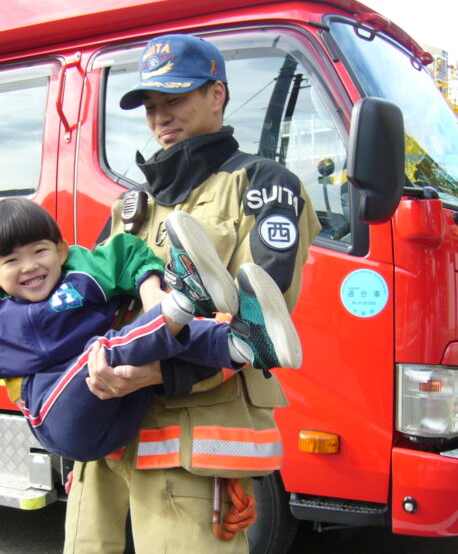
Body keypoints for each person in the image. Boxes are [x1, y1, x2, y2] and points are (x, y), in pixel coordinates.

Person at [64, 34, 320, 553]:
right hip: (107, 440)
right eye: (151, 107)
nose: (161, 118)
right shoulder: (131, 204)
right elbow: (90, 304)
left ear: (217, 95)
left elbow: (260, 326)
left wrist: (157, 371)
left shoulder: (264, 183)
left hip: (191, 441)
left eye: (175, 99)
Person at [0, 197, 301, 461]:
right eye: (12, 260)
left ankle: (246, 344)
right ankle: (185, 300)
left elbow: (126, 250)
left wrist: (151, 289)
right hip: (60, 418)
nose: (30, 266)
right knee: (106, 348)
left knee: (143, 343)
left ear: (61, 250)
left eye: (39, 251)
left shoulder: (81, 269)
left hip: (121, 403)